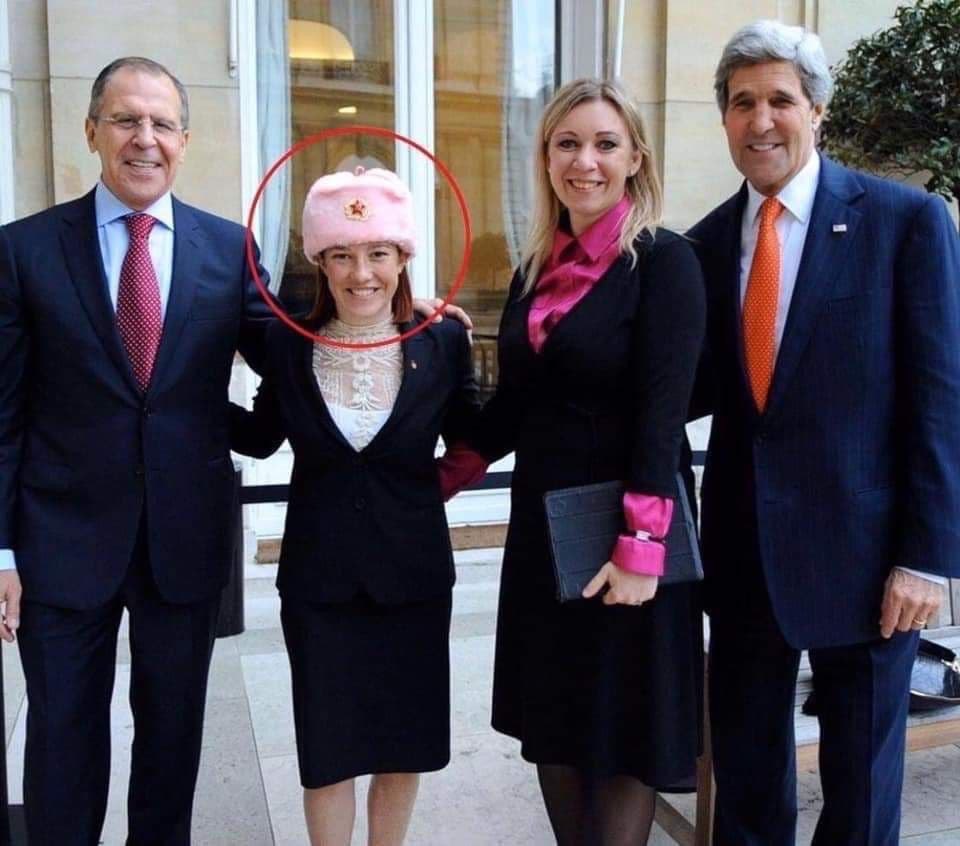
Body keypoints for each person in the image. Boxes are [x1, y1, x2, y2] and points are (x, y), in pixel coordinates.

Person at [688, 20, 960, 846]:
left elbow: (941, 398)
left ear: (817, 111)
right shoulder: (702, 246)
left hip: (872, 565)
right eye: (742, 103)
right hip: (744, 561)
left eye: (780, 99)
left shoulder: (905, 221)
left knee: (860, 796)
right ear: (724, 118)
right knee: (746, 786)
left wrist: (927, 557)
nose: (760, 120)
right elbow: (680, 391)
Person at [0, 57, 275, 845]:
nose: (144, 138)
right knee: (61, 745)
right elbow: (4, 414)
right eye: (125, 120)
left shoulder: (229, 248)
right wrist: (2, 551)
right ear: (92, 131)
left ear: (185, 140)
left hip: (183, 540)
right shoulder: (23, 251)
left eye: (161, 123)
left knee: (171, 744)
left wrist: (387, 317)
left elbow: (290, 359)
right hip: (59, 544)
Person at [440, 78, 706, 844]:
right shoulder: (533, 270)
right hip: (543, 532)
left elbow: (662, 415)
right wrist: (440, 457)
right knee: (556, 726)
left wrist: (641, 547)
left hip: (625, 535)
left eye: (604, 144)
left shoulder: (664, 262)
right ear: (545, 158)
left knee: (621, 737)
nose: (584, 161)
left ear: (635, 159)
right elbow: (516, 409)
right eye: (567, 144)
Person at [230, 167, 479, 846]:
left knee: (405, 745)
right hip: (320, 584)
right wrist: (179, 396)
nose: (361, 273)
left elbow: (475, 431)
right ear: (319, 261)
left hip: (413, 578)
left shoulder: (440, 340)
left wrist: (431, 488)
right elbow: (259, 436)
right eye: (341, 254)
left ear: (402, 258)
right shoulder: (287, 343)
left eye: (378, 253)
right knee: (328, 750)